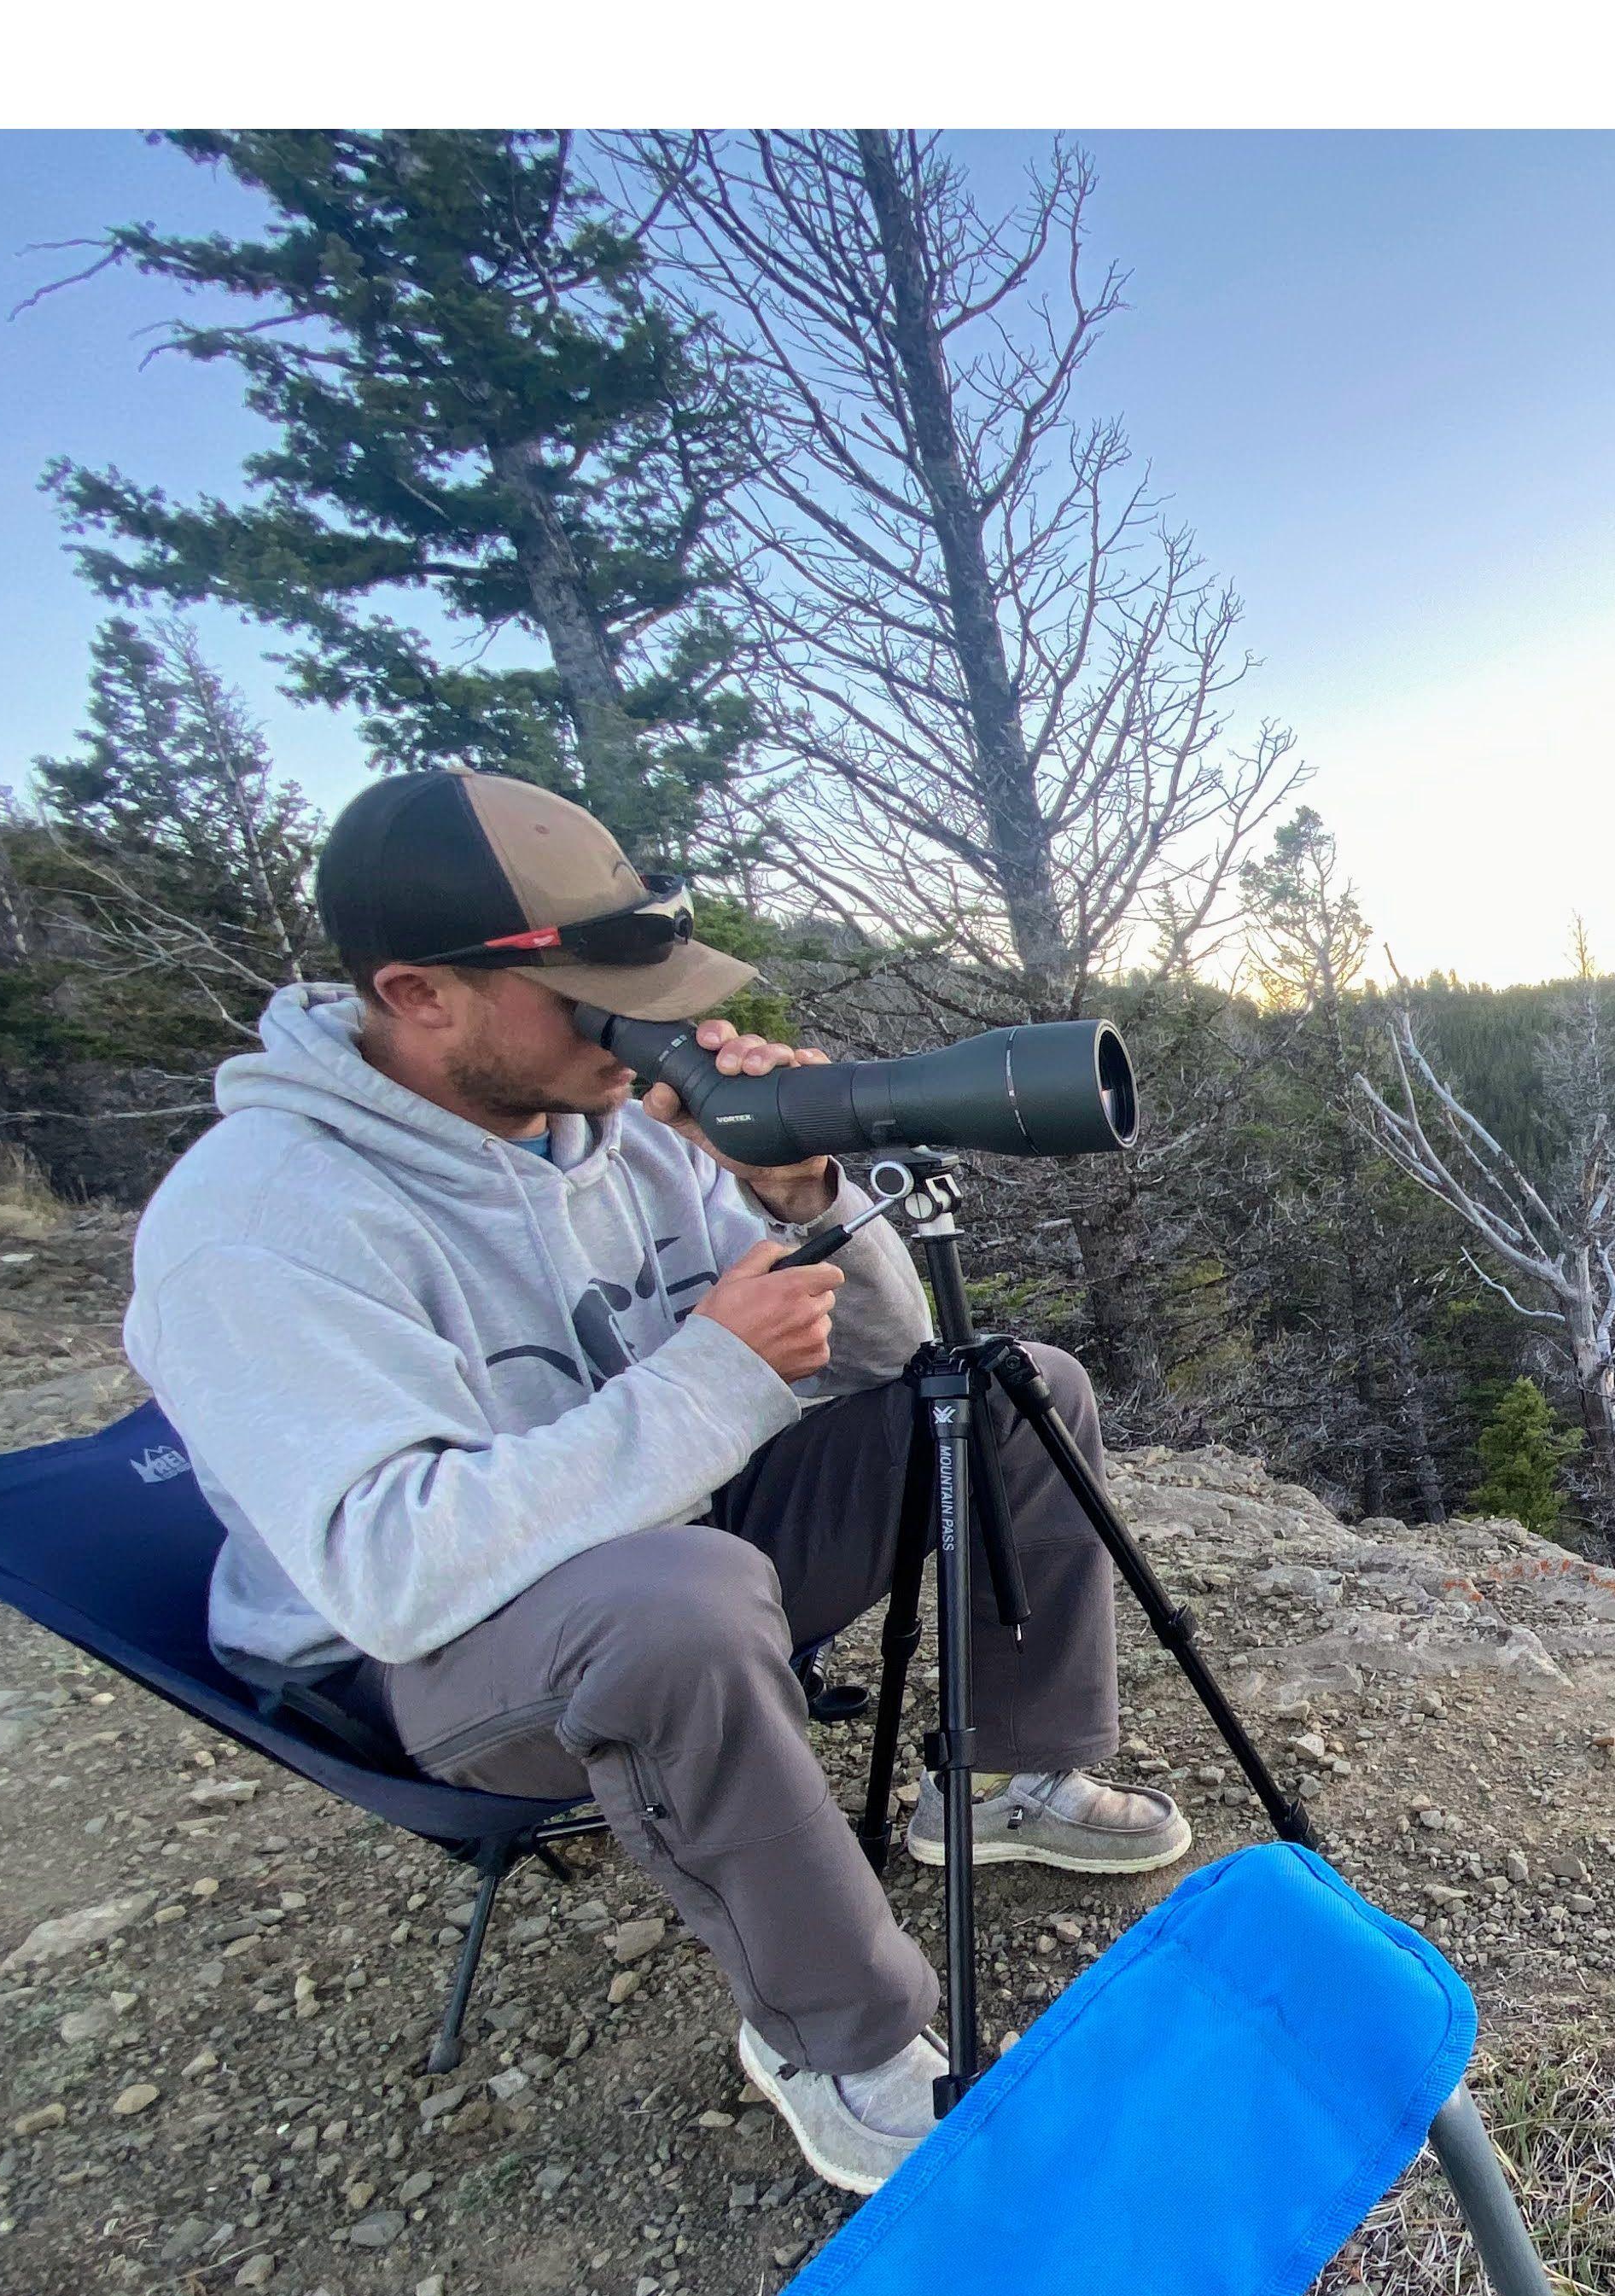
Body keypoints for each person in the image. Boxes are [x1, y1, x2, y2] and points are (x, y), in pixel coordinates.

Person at [123, 767, 1192, 2194]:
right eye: (588, 994)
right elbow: (393, 1573)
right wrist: (708, 1376)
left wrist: (804, 1197)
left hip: (664, 1531)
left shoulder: (617, 1128)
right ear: (418, 994)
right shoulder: (257, 1224)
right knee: (677, 1602)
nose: (645, 1029)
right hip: (431, 1655)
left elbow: (892, 1362)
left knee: (1008, 1390)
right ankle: (838, 2033)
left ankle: (992, 1781)